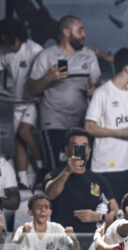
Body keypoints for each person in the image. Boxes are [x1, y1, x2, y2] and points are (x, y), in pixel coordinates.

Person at [43, 128, 119, 250]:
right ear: (66, 149)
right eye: (75, 146)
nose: (80, 151)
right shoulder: (55, 174)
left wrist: (98, 216)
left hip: (92, 244)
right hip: (64, 243)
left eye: (83, 147)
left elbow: (116, 211)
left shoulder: (98, 179)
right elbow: (50, 193)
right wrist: (67, 171)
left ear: (89, 150)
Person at [27, 15, 101, 172]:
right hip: (54, 120)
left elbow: (97, 82)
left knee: (80, 166)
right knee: (56, 167)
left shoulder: (89, 55)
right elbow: (31, 89)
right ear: (66, 32)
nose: (84, 35)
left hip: (80, 122)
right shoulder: (47, 55)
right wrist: (49, 77)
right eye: (80, 30)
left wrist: (93, 87)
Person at [0, 18, 43, 189]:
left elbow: (45, 74)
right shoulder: (6, 53)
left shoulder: (35, 50)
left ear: (17, 36)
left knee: (24, 131)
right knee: (18, 138)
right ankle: (22, 179)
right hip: (17, 101)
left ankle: (42, 166)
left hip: (33, 100)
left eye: (9, 41)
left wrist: (42, 94)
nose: (7, 45)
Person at [85, 48, 128, 204]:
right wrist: (120, 133)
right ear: (127, 68)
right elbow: (89, 127)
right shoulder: (102, 93)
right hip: (108, 165)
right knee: (108, 213)